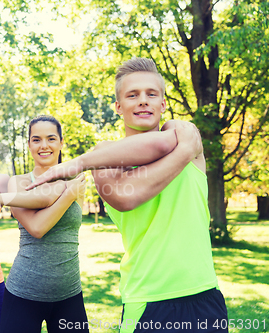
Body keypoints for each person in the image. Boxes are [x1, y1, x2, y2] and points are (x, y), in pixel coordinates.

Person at [31, 58, 228, 333]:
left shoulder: (182, 132)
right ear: (118, 107)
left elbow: (164, 142)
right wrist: (183, 153)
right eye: (132, 95)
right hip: (147, 300)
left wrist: (76, 163)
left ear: (163, 104)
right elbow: (126, 197)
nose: (143, 101)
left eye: (151, 94)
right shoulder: (103, 154)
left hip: (204, 295)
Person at [0, 115, 90, 333]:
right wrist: (68, 195)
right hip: (24, 293)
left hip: (70, 293)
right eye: (36, 139)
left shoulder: (74, 180)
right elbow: (37, 228)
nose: (44, 145)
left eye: (51, 138)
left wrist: (67, 189)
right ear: (29, 144)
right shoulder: (19, 182)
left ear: (61, 141)